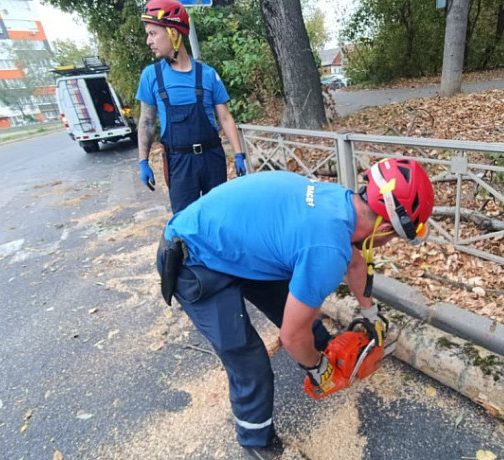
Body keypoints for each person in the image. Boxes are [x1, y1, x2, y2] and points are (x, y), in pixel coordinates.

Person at [157, 158, 435, 459]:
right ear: (383, 226)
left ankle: (327, 353)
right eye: (394, 236)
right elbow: (290, 336)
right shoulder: (327, 251)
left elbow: (356, 263)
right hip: (193, 257)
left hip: (239, 247)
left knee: (300, 314)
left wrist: (371, 313)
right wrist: (316, 369)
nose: (389, 242)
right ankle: (256, 438)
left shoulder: (340, 202)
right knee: (249, 359)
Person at [136, 0, 247, 213]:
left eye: (153, 34)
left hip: (212, 159)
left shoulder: (207, 74)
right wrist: (143, 161)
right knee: (186, 224)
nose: (149, 41)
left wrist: (239, 153)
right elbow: (147, 121)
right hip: (179, 163)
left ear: (173, 33)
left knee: (219, 217)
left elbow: (225, 117)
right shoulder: (151, 76)